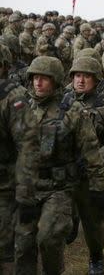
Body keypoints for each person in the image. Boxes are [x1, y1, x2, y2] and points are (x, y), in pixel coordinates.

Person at [15, 56, 104, 275]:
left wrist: (97, 188)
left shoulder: (72, 111)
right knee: (23, 244)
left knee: (49, 238)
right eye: (35, 78)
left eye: (44, 78)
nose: (38, 83)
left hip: (59, 187)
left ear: (55, 81)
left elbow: (91, 151)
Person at [65, 56, 104, 274]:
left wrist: (96, 154)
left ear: (96, 79)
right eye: (78, 75)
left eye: (87, 76)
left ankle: (96, 256)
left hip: (94, 171)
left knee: (95, 218)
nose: (81, 81)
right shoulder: (62, 102)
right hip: (65, 169)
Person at [0, 47, 39, 275]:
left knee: (7, 252)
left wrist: (25, 194)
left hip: (6, 188)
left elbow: (28, 145)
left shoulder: (14, 98)